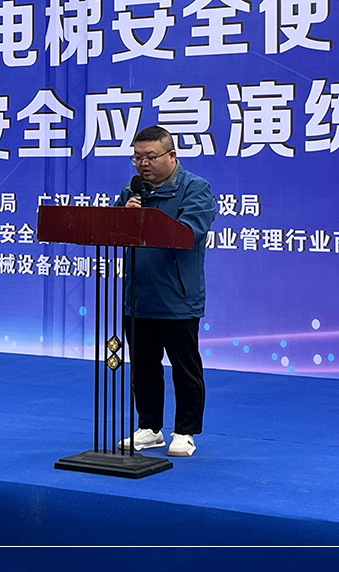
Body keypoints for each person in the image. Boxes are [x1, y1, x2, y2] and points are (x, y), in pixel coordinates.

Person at [115, 125, 216, 458]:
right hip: (138, 295)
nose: (143, 164)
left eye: (150, 157)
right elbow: (112, 229)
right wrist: (124, 218)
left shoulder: (195, 188)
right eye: (137, 157)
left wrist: (143, 219)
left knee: (185, 368)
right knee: (143, 366)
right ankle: (149, 427)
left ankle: (185, 431)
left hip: (178, 297)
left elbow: (189, 233)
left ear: (171, 156)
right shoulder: (132, 190)